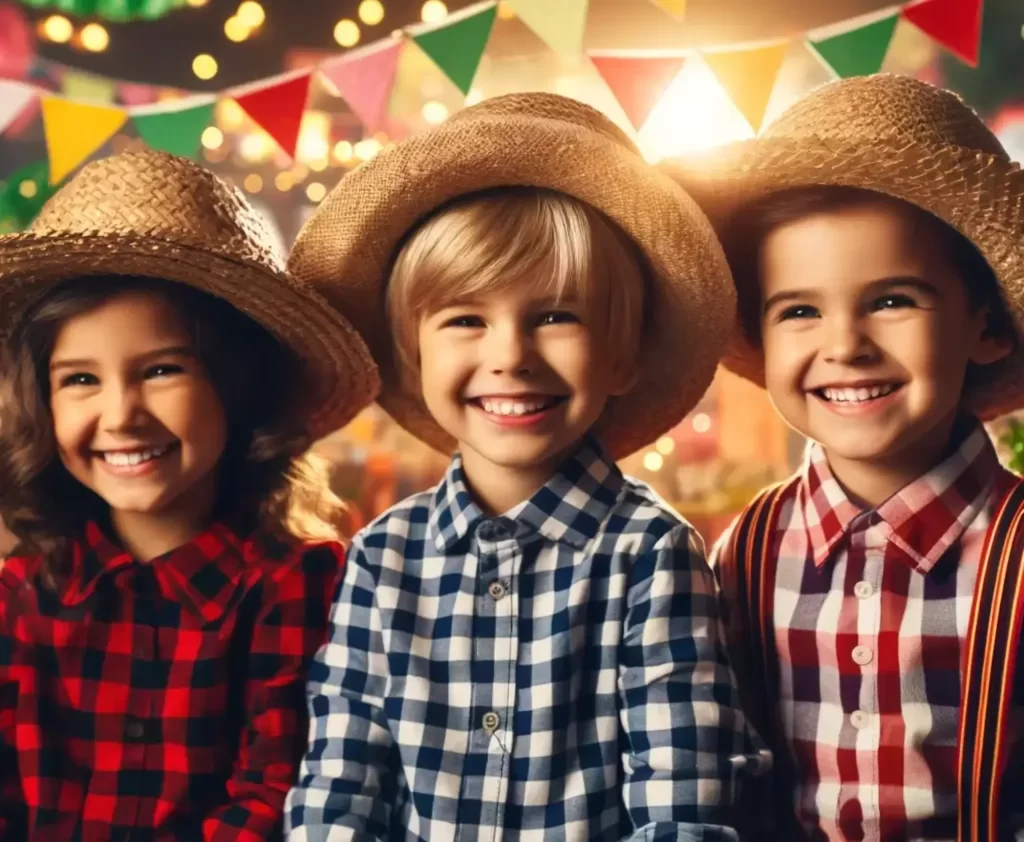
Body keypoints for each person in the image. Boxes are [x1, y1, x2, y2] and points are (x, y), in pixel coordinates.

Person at [282, 93, 770, 841]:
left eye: (555, 316)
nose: (509, 356)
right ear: (414, 358)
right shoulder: (382, 559)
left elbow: (683, 799)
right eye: (466, 320)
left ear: (623, 355)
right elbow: (340, 783)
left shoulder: (651, 554)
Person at [668, 74, 1024, 841]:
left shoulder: (1018, 548)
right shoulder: (743, 554)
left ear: (986, 327)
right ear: (761, 343)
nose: (844, 346)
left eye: (893, 299)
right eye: (799, 310)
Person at [0, 150, 380, 840]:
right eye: (80, 380)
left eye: (161, 370)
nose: (120, 416)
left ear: (239, 388)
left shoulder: (300, 585)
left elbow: (277, 792)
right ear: (41, 404)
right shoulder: (23, 592)